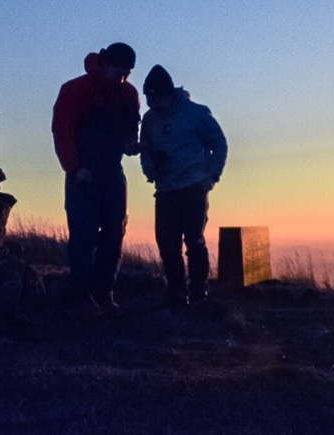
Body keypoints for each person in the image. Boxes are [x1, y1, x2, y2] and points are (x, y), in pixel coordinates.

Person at [52, 42, 140, 315]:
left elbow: (130, 128)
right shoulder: (75, 89)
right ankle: (81, 295)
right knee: (83, 233)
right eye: (119, 71)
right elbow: (62, 131)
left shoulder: (129, 94)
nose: (122, 78)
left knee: (114, 232)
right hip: (83, 174)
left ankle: (104, 294)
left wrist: (130, 143)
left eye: (127, 73)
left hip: (112, 171)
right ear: (105, 63)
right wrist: (75, 168)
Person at [139, 64, 227, 308]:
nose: (152, 105)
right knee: (167, 244)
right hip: (166, 189)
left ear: (168, 95)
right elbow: (145, 148)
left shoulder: (196, 113)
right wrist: (149, 169)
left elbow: (219, 144)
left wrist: (211, 177)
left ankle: (199, 293)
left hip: (193, 188)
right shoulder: (149, 120)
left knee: (194, 242)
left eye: (156, 99)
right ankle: (176, 292)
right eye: (148, 99)